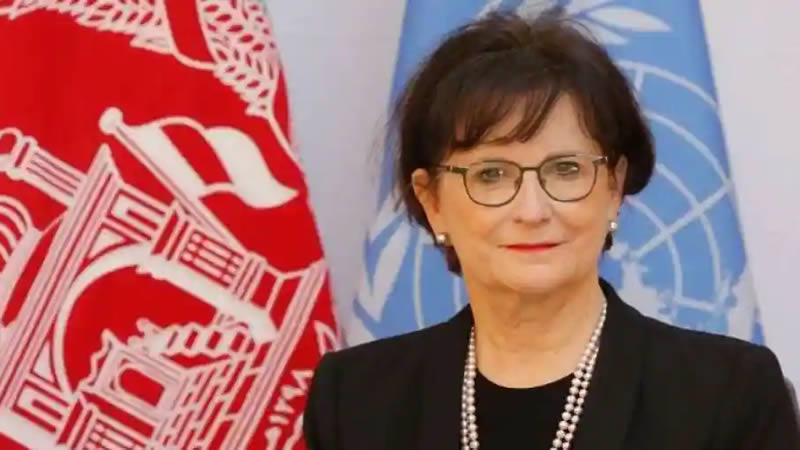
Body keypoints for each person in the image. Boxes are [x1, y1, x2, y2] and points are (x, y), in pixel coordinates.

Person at [303, 10, 800, 450]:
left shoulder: (731, 395)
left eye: (565, 169)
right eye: (491, 174)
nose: (532, 209)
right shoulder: (356, 399)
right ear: (432, 201)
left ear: (614, 187)